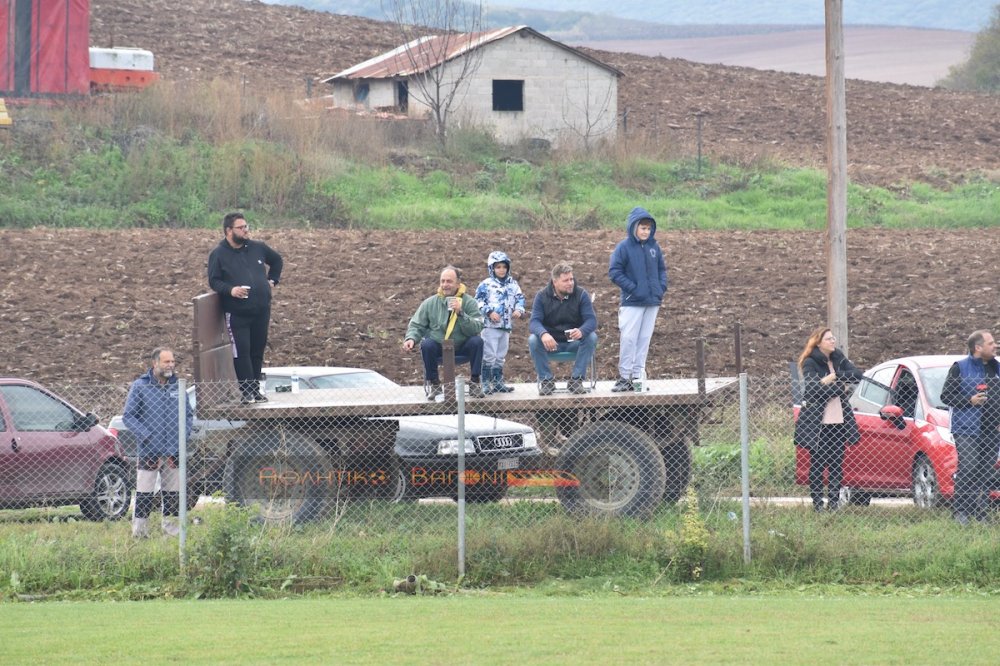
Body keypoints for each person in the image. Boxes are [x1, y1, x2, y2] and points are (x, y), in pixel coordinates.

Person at [207, 212, 283, 404]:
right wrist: (231, 290)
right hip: (237, 313)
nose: (245, 230)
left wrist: (272, 280)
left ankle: (256, 391)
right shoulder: (218, 254)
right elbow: (214, 281)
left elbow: (277, 261)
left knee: (257, 350)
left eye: (246, 226)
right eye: (241, 228)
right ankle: (247, 392)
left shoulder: (257, 248)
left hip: (261, 310)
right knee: (242, 352)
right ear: (228, 231)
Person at [122, 348, 194, 538]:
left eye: (172, 362)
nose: (170, 365)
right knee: (144, 494)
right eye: (166, 362)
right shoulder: (140, 386)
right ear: (155, 363)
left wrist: (183, 436)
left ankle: (171, 532)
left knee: (172, 494)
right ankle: (140, 533)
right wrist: (145, 435)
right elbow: (129, 416)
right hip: (149, 451)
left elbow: (188, 415)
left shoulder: (178, 386)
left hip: (173, 451)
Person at [793, 327, 864, 512]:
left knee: (836, 464)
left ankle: (833, 504)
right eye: (829, 339)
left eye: (833, 338)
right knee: (817, 464)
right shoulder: (810, 362)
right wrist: (840, 388)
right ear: (818, 343)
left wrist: (835, 376)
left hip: (839, 422)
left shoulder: (838, 358)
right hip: (819, 424)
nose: (833, 341)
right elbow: (813, 390)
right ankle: (818, 504)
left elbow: (857, 375)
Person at [940, 330, 1000, 525]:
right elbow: (946, 396)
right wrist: (969, 400)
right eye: (991, 343)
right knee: (969, 468)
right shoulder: (960, 368)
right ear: (978, 348)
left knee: (985, 472)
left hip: (992, 430)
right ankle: (960, 512)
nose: (995, 346)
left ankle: (980, 512)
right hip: (967, 430)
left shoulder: (996, 368)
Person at [404, 265, 486, 400]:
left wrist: (461, 314)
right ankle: (434, 384)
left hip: (462, 346)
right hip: (439, 345)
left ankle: (475, 383)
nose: (445, 285)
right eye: (442, 281)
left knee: (477, 342)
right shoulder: (430, 303)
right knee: (427, 344)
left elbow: (477, 327)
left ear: (458, 283)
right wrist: (411, 338)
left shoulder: (469, 302)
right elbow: (417, 324)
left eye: (449, 281)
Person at [608, 206, 667, 392]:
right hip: (632, 302)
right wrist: (634, 289)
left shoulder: (654, 248)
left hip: (652, 302)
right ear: (634, 228)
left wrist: (660, 288)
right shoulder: (623, 248)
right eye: (642, 228)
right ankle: (624, 377)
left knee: (644, 339)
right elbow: (615, 272)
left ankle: (637, 377)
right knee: (629, 339)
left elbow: (661, 270)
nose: (646, 231)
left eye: (648, 228)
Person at [528, 262, 599, 396]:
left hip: (574, 343)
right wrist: (543, 334)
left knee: (591, 337)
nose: (570, 283)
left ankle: (576, 380)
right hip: (551, 344)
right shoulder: (542, 296)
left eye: (571, 279)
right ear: (555, 282)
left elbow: (592, 320)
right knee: (533, 340)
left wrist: (582, 330)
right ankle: (546, 381)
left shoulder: (581, 294)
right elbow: (534, 322)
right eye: (565, 280)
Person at [475, 251, 526, 394]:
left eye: (504, 267)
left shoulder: (513, 284)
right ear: (492, 268)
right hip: (490, 326)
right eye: (498, 267)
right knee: (489, 354)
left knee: (500, 355)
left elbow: (520, 298)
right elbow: (478, 301)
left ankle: (498, 382)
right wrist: (489, 312)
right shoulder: (486, 285)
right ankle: (485, 382)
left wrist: (519, 309)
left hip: (506, 325)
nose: (501, 270)